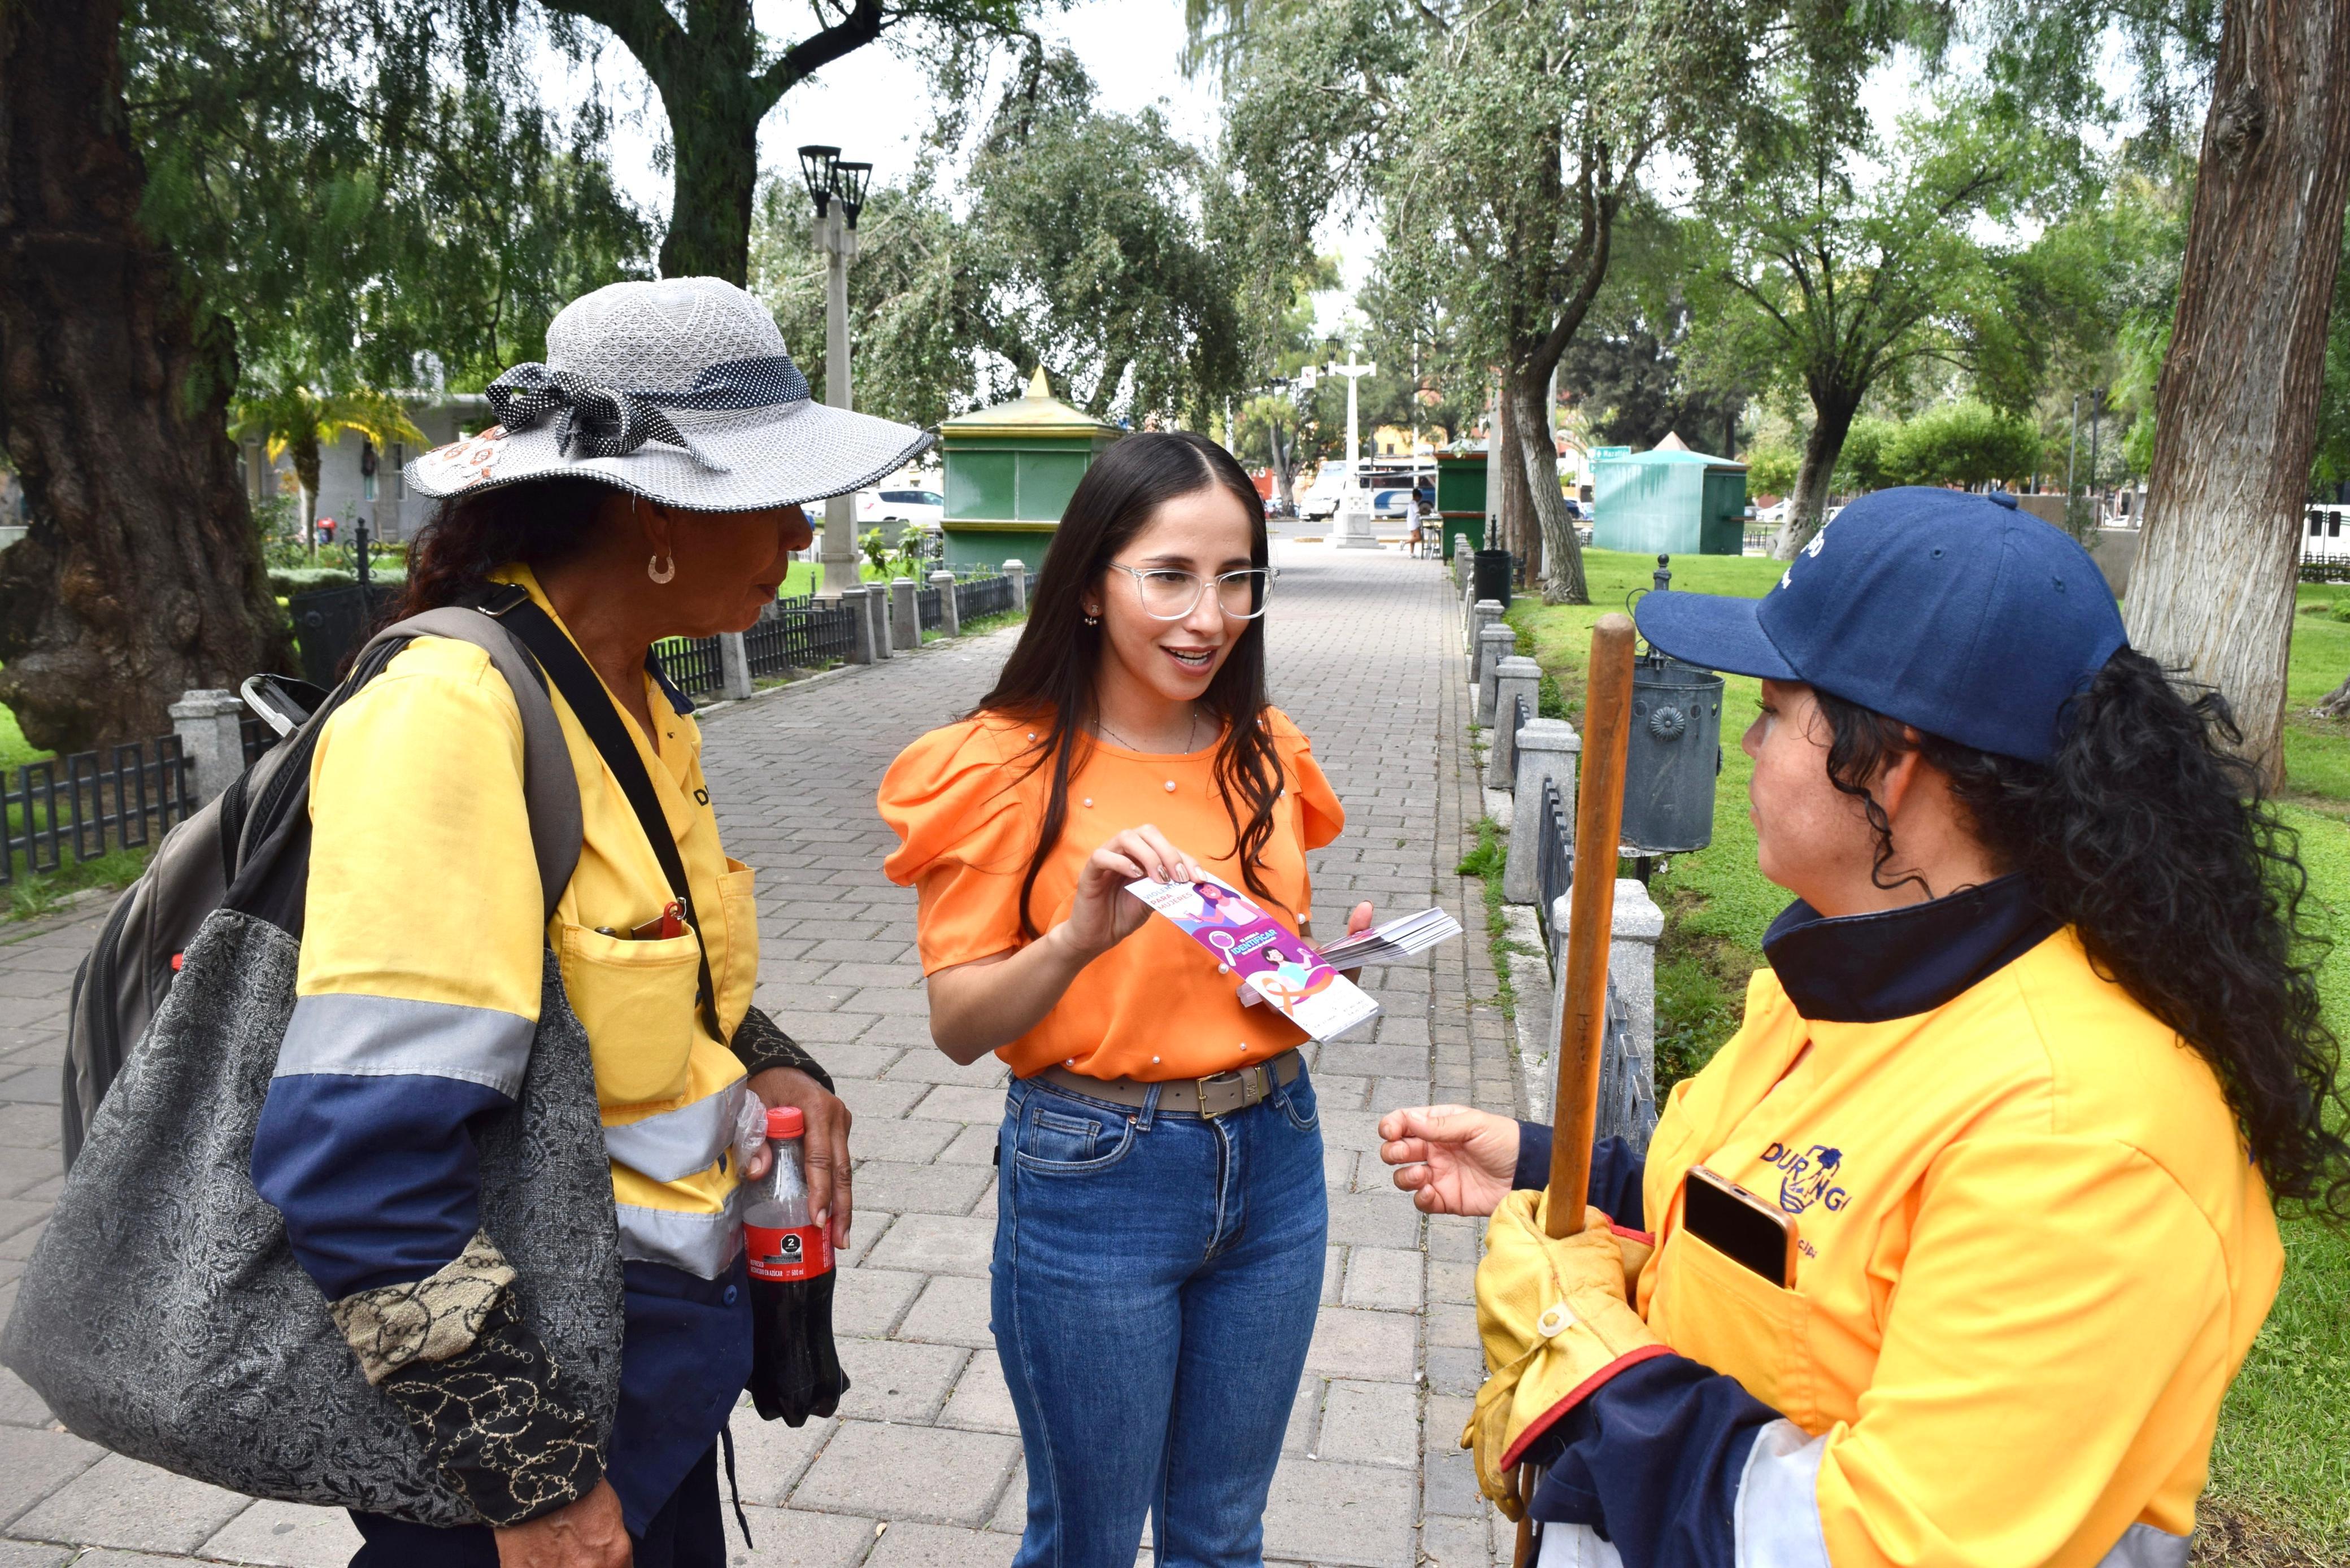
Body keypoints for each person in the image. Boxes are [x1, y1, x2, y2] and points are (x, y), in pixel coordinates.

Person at [1377, 487, 2345, 1568]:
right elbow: (1770, 1223)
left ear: (1891, 761)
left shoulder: (2086, 1137)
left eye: (1776, 707)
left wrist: (1586, 1371)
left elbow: (1870, 1546)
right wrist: (1559, 1170)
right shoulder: (1852, 970)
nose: (1742, 740)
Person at [248, 277, 930, 1568]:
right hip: (515, 1429)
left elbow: (626, 955)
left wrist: (771, 1053)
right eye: (770, 493)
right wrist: (536, 1483)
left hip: (641, 1372)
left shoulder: (628, 695)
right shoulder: (451, 714)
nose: (798, 528)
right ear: (650, 513)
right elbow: (358, 1161)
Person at [877, 432, 1373, 1567]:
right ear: (1093, 585)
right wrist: (1073, 939)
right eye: (1170, 575)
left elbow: (1264, 972)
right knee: (1088, 1543)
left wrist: (1323, 972)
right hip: (1096, 1169)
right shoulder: (999, 765)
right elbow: (960, 1025)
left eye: (1237, 576)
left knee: (1218, 1533)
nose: (1210, 615)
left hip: (1276, 1158)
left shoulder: (1264, 753)